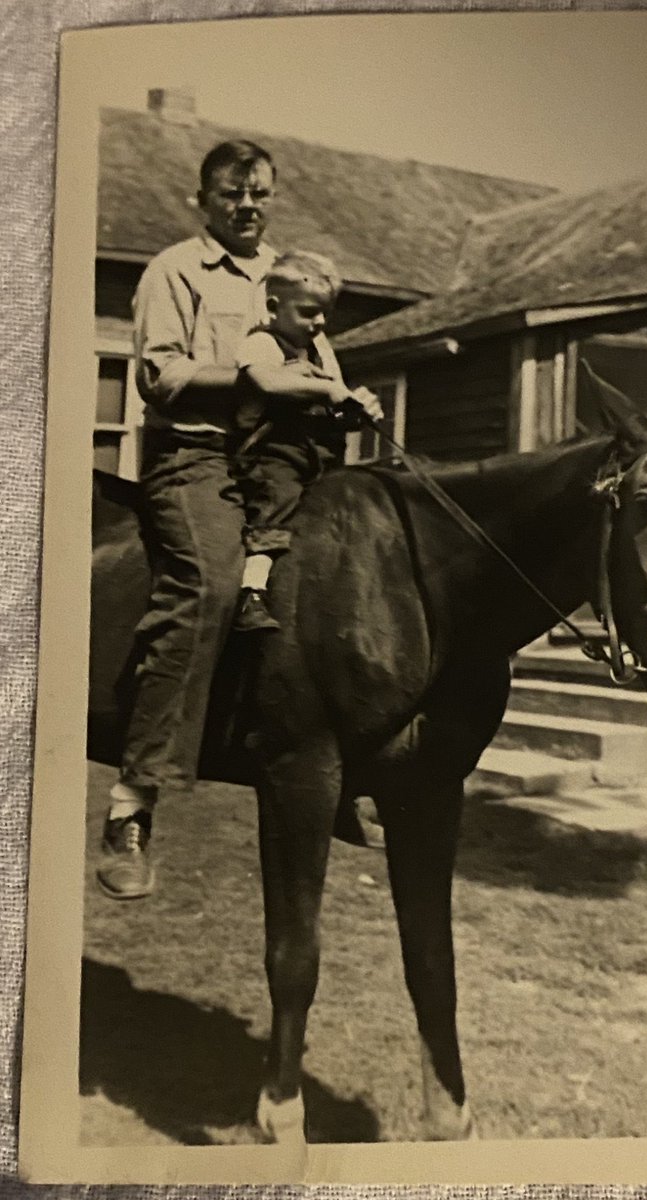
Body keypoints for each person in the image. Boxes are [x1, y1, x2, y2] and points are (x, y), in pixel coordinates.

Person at [96, 139, 281, 901]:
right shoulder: (174, 270)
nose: (247, 206)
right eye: (232, 194)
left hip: (274, 458)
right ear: (202, 200)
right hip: (194, 458)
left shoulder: (284, 273)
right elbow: (160, 374)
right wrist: (253, 378)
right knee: (204, 589)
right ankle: (131, 805)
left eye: (259, 194)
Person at [232, 250, 383, 632]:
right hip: (274, 453)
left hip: (318, 453)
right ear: (273, 306)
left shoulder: (321, 348)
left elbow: (334, 398)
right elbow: (267, 381)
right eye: (308, 312)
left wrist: (356, 406)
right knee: (275, 504)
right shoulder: (262, 343)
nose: (318, 322)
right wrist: (328, 390)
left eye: (324, 313)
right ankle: (252, 591)